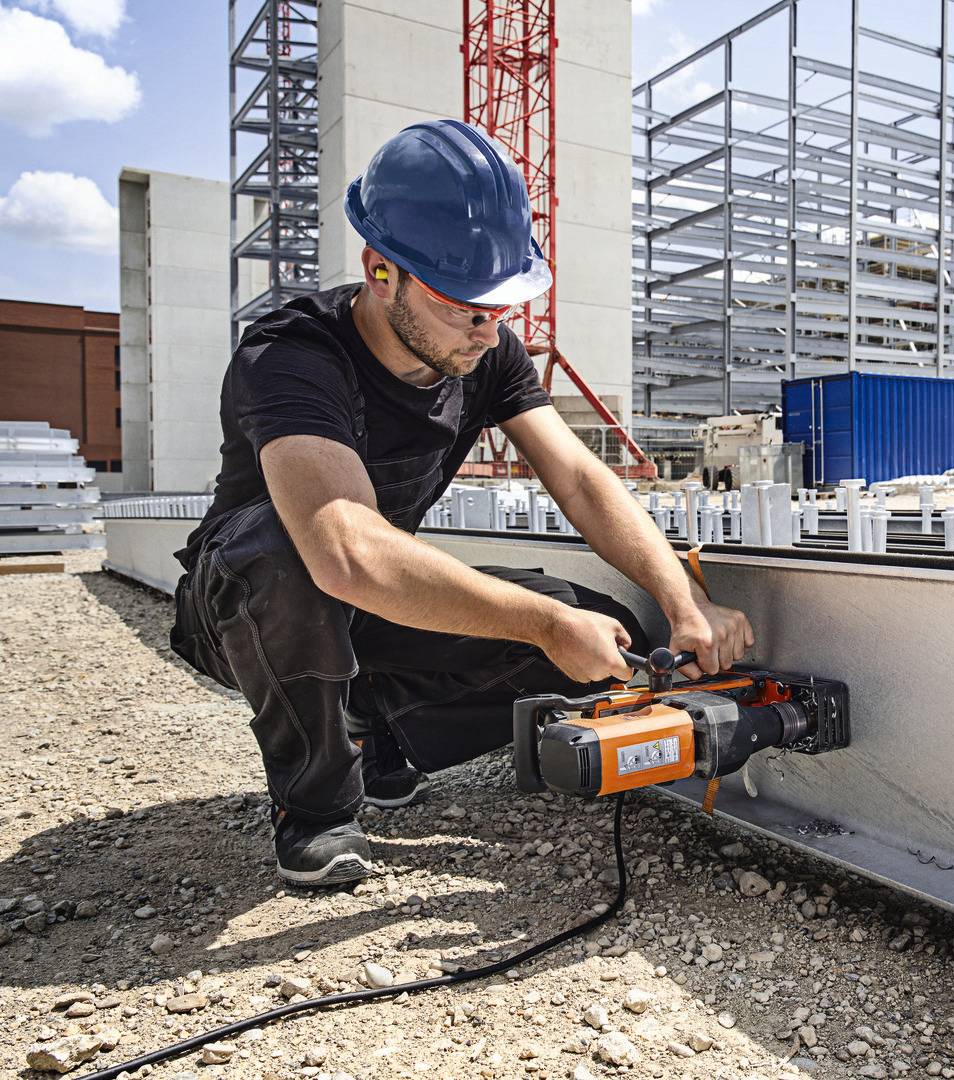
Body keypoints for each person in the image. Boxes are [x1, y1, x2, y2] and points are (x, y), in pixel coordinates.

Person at [170, 120, 753, 887]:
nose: (487, 328)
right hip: (247, 606)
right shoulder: (291, 355)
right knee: (286, 552)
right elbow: (342, 549)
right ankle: (314, 808)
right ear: (382, 273)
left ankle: (376, 727)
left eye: (500, 307)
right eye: (465, 306)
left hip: (372, 600)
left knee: (604, 633)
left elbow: (578, 479)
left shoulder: (487, 352)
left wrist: (683, 601)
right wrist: (541, 623)